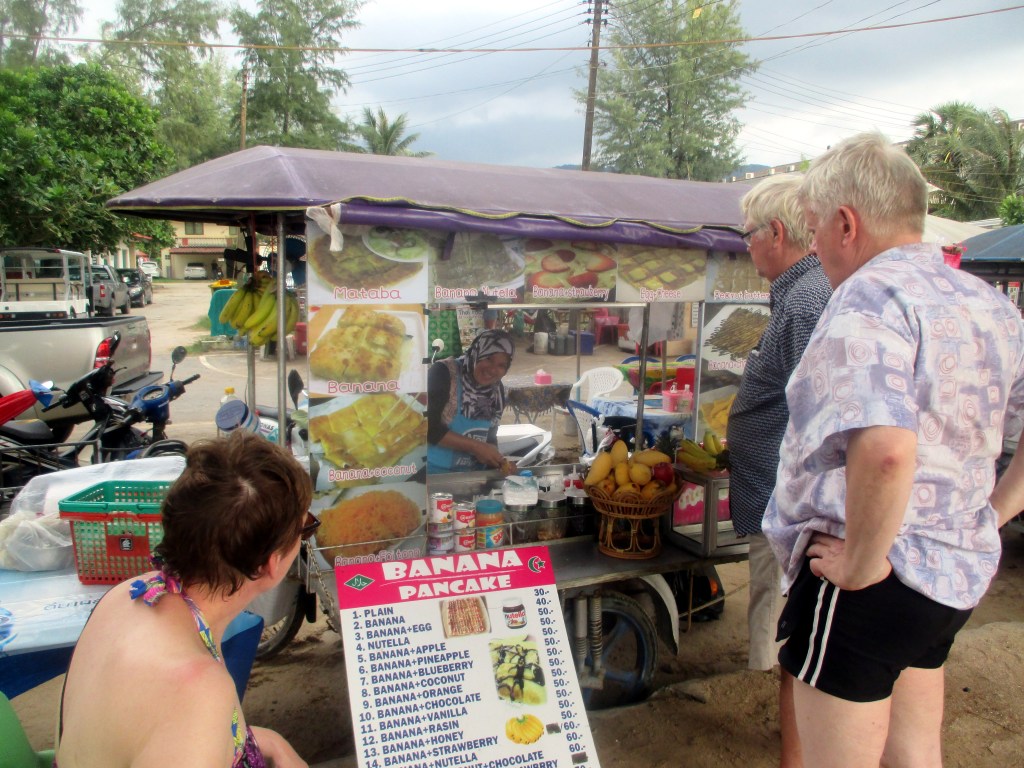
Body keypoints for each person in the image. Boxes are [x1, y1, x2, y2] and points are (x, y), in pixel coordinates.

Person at [763, 132, 1024, 767]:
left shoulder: (868, 299)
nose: (815, 246)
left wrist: (859, 563)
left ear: (846, 223)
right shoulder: (990, 305)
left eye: (817, 228)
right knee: (914, 752)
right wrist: (993, 513)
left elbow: (884, 451)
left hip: (870, 577)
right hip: (948, 572)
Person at [55, 432, 314, 768]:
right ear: (270, 564)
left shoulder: (132, 593)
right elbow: (183, 714)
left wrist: (270, 742)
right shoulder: (198, 692)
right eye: (304, 528)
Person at [725, 174, 831, 766]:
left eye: (747, 234)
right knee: (783, 612)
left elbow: (823, 416)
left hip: (790, 502)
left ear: (777, 232)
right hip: (776, 495)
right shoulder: (797, 294)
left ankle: (796, 739)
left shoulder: (812, 298)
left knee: (795, 627)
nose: (745, 245)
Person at [427, 328, 514, 473]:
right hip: (433, 476)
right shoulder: (443, 373)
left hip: (471, 478)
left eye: (501, 365)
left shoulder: (496, 391)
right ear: (476, 352)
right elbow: (428, 428)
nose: (492, 370)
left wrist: (499, 462)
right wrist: (476, 447)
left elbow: (490, 437)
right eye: (488, 358)